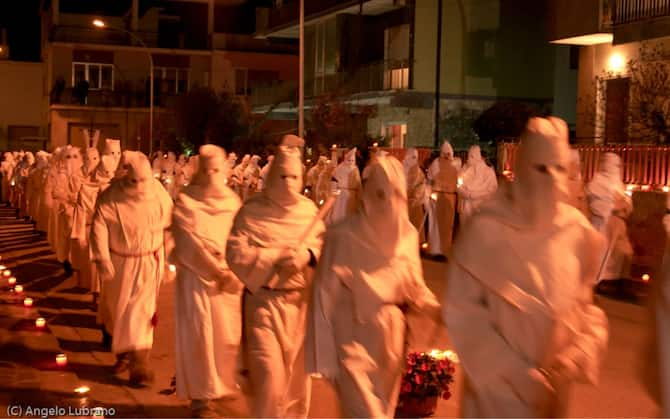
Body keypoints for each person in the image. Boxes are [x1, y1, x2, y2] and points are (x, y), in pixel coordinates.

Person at [444, 117, 609, 417]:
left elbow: (586, 309)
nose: (551, 179)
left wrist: (577, 354)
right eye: (541, 168)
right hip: (495, 399)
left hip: (552, 398)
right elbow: (463, 314)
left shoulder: (576, 233)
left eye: (559, 168)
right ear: (522, 167)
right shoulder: (486, 231)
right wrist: (513, 373)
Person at [306, 155, 441, 417]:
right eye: (380, 194)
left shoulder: (407, 235)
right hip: (352, 341)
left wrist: (437, 310)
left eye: (394, 195)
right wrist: (323, 358)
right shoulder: (343, 235)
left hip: (391, 342)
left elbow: (415, 286)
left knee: (383, 410)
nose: (387, 203)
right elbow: (323, 297)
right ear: (367, 194)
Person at [226, 135, 325, 418]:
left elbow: (323, 245)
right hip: (263, 304)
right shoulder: (252, 212)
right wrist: (274, 256)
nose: (288, 183)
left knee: (295, 383)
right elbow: (236, 253)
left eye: (294, 176)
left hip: (299, 307)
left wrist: (307, 256)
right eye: (282, 176)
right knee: (270, 377)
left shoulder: (309, 212)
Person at [90, 151, 173, 386]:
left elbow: (169, 227)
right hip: (120, 264)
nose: (138, 187)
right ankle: (124, 355)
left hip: (148, 263)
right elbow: (99, 225)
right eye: (134, 181)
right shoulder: (111, 197)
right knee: (120, 311)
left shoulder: (159, 196)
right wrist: (103, 258)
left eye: (143, 181)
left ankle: (140, 365)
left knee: (142, 314)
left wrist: (168, 261)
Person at [172, 145, 243, 417]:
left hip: (227, 282)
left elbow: (239, 236)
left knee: (226, 339)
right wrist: (215, 269)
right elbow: (188, 241)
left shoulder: (232, 202)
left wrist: (233, 271)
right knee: (200, 338)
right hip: (197, 281)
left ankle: (222, 386)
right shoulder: (187, 201)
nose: (212, 175)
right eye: (208, 170)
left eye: (217, 169)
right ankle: (201, 398)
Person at [586, 153, 634, 286]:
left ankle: (614, 282)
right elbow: (596, 206)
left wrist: (624, 205)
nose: (616, 168)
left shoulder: (619, 184)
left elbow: (627, 204)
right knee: (601, 255)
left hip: (618, 227)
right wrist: (615, 206)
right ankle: (598, 281)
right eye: (614, 165)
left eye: (618, 165)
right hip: (602, 226)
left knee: (618, 255)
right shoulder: (597, 183)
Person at [427, 141, 458, 257]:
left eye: (448, 154)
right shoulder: (436, 163)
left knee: (447, 225)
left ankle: (445, 249)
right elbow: (430, 178)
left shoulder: (455, 165)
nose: (446, 156)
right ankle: (436, 249)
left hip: (450, 197)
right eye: (445, 153)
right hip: (438, 196)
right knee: (436, 224)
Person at [457, 145, 498, 223]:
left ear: (475, 156)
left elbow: (493, 190)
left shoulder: (488, 172)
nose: (468, 159)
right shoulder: (464, 170)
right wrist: (464, 193)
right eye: (468, 156)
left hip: (479, 208)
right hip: (466, 207)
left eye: (471, 156)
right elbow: (458, 184)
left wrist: (475, 195)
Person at [327, 148, 361, 224]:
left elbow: (359, 184)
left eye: (352, 161)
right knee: (338, 213)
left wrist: (359, 197)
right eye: (349, 160)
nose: (351, 162)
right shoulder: (339, 169)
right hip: (340, 195)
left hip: (352, 196)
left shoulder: (355, 169)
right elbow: (334, 182)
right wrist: (333, 195)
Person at [403, 148, 427, 243]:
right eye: (412, 157)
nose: (413, 159)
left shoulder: (419, 172)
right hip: (403, 202)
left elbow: (422, 184)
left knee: (415, 225)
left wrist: (416, 196)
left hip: (414, 203)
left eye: (415, 157)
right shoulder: (401, 169)